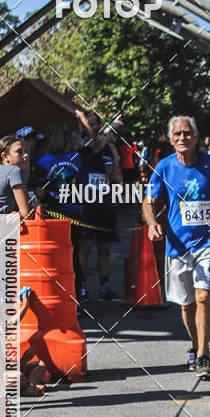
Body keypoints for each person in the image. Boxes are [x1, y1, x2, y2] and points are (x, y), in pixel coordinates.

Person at [142, 115, 210, 378]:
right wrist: (151, 223)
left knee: (203, 296)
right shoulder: (164, 167)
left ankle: (203, 354)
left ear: (196, 136)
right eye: (178, 134)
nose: (183, 138)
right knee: (187, 304)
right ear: (171, 139)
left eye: (188, 133)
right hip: (177, 245)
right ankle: (195, 343)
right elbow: (148, 201)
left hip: (207, 243)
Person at [30, 122, 87, 303]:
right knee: (74, 253)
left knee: (54, 256)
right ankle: (77, 295)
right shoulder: (77, 158)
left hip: (54, 214)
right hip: (75, 211)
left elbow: (39, 191)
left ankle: (58, 295)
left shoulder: (43, 162)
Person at [76, 110, 123, 301]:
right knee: (85, 248)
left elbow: (119, 178)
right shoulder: (80, 144)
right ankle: (82, 288)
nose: (92, 128)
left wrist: (115, 177)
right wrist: (111, 128)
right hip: (87, 203)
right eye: (88, 124)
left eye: (95, 124)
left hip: (105, 203)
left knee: (105, 248)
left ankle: (105, 288)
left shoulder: (110, 147)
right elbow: (94, 147)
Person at [0, 135, 31, 216]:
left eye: (26, 151)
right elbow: (26, 214)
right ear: (5, 156)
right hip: (3, 223)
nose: (25, 155)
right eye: (19, 152)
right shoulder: (14, 171)